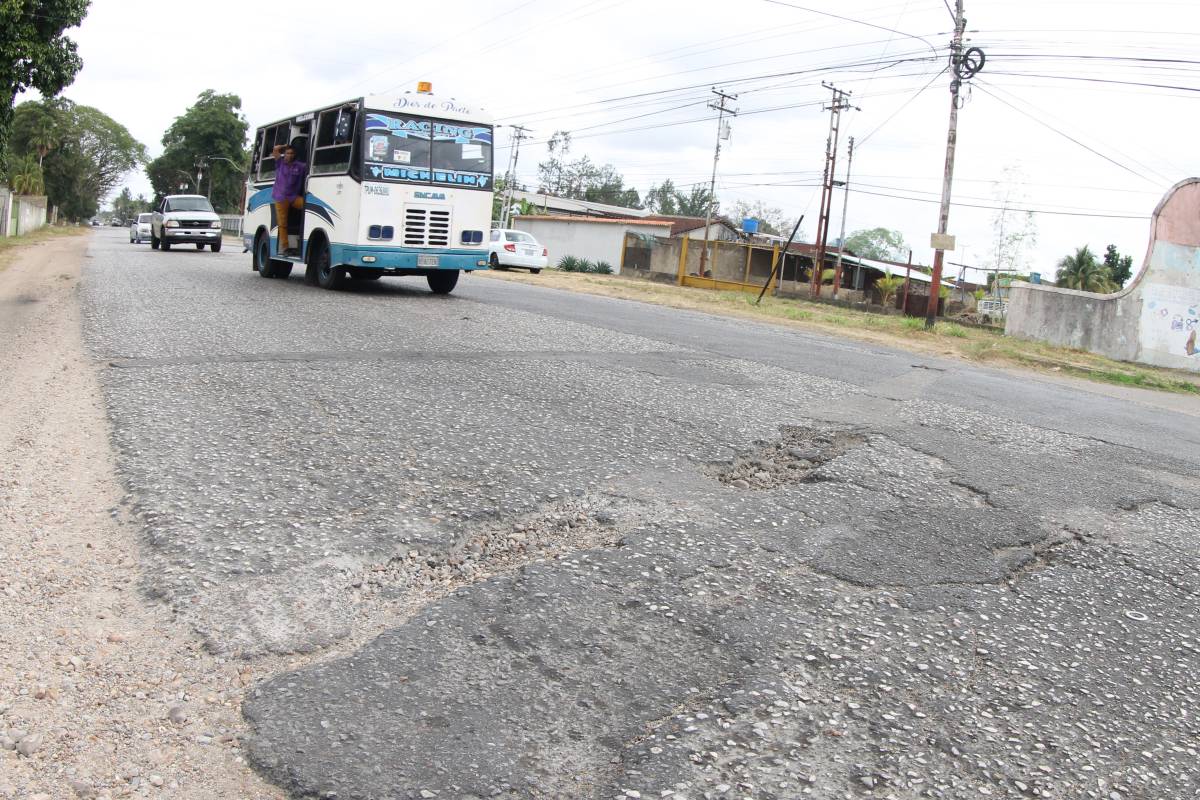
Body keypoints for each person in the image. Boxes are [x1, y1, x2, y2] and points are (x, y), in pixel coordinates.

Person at [272, 143, 307, 255]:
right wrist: (285, 145)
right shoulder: (280, 163)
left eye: (291, 153)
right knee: (282, 223)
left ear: (294, 155)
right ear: (284, 154)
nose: (289, 155)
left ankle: (303, 240)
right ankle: (285, 247)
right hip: (281, 197)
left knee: (308, 207)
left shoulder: (300, 166)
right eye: (287, 153)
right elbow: (276, 149)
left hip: (294, 197)